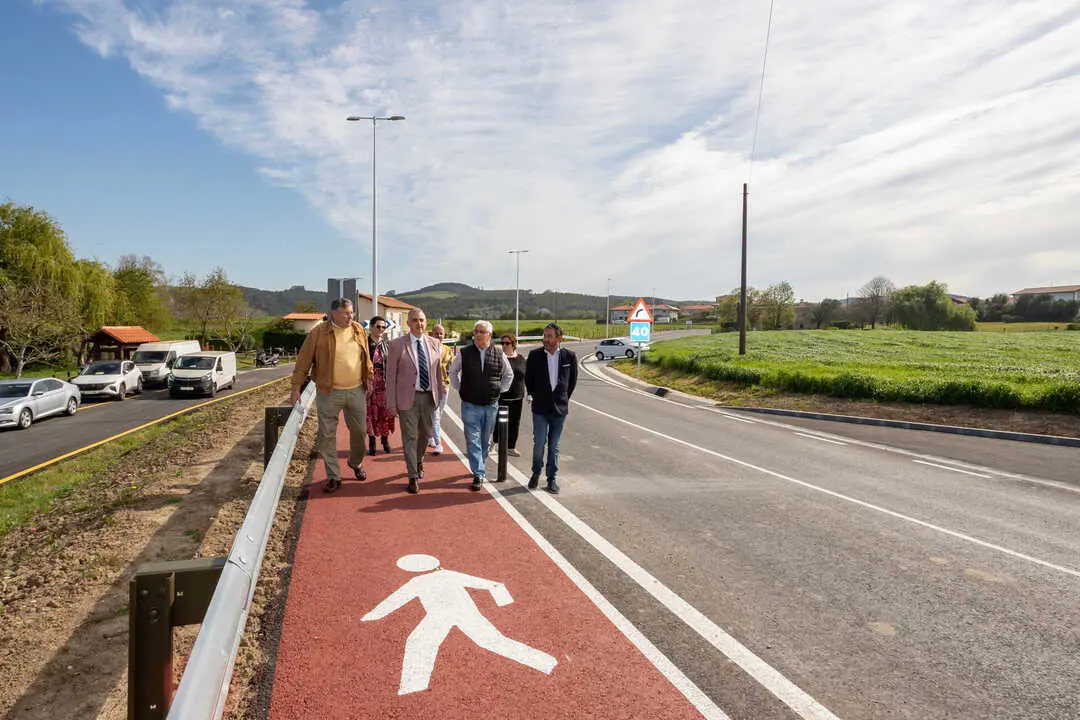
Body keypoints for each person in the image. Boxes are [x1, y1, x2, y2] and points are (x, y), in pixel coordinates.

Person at [289, 298, 373, 494]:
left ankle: (355, 462)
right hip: (329, 391)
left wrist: (369, 377)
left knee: (360, 432)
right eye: (346, 313)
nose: (350, 317)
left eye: (351, 313)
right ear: (333, 313)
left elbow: (366, 356)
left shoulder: (358, 329)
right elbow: (303, 361)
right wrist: (295, 388)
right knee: (327, 435)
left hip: (356, 390)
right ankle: (334, 475)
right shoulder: (318, 333)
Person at [448, 320, 513, 490]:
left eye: (481, 331)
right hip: (470, 404)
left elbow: (508, 375)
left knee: (485, 440)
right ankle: (478, 473)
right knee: (473, 439)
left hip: (491, 405)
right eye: (476, 331)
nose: (477, 334)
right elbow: (452, 372)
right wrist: (460, 388)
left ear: (489, 335)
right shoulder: (465, 353)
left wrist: (499, 391)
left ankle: (480, 468)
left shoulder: (499, 354)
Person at [386, 308, 444, 494]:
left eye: (422, 320)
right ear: (408, 323)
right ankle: (412, 476)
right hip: (407, 399)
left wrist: (439, 397)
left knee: (425, 435)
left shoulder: (435, 343)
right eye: (415, 320)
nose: (419, 323)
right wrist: (391, 402)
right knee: (410, 437)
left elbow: (437, 373)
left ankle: (418, 460)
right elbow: (390, 377)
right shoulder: (397, 345)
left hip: (428, 397)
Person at [524, 322, 577, 494]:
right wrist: (533, 394)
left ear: (558, 338)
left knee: (554, 446)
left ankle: (551, 478)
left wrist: (562, 398)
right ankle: (535, 472)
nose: (546, 339)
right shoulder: (534, 356)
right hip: (540, 408)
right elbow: (528, 380)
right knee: (539, 442)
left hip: (559, 409)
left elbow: (572, 382)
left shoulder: (569, 357)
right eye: (544, 336)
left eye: (549, 336)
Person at [492, 333, 526, 457]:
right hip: (502, 396)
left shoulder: (521, 359)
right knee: (498, 422)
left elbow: (525, 376)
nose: (504, 345)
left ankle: (511, 447)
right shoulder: (499, 358)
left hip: (518, 397)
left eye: (507, 343)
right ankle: (494, 443)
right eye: (502, 343)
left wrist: (530, 394)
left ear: (514, 344)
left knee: (515, 422)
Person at [366, 315, 395, 456]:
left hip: (384, 385)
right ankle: (371, 443)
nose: (381, 329)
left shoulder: (387, 344)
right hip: (370, 384)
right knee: (370, 414)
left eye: (384, 327)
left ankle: (385, 440)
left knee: (385, 414)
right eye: (378, 326)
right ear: (371, 327)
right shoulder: (364, 344)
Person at [428, 323, 454, 455]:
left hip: (444, 387)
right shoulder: (426, 349)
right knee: (435, 415)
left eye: (441, 333)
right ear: (431, 334)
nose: (439, 335)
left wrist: (446, 382)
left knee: (439, 414)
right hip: (431, 387)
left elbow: (452, 369)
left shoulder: (448, 350)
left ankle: (431, 436)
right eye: (436, 333)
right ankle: (438, 443)